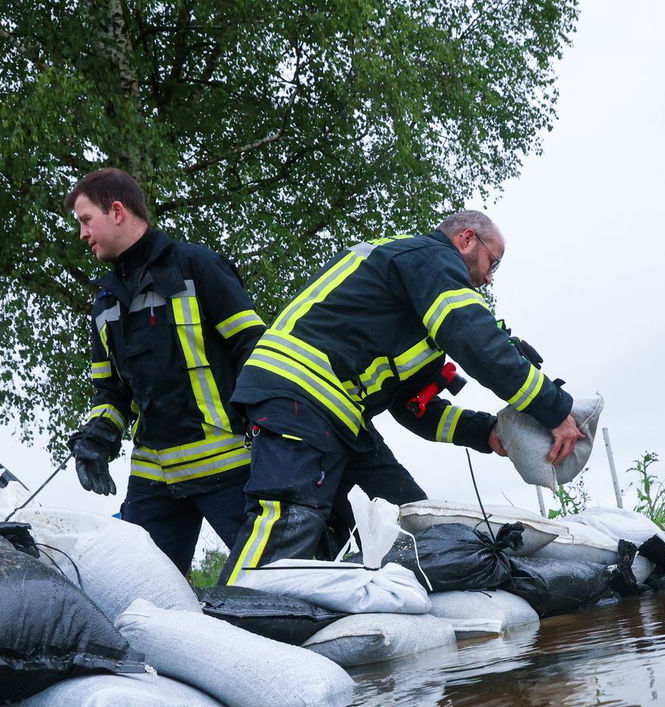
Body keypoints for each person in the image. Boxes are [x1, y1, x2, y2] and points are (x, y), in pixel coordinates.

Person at [220, 210, 584, 579]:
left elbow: (415, 409)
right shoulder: (429, 257)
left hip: (338, 413)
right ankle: (232, 626)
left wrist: (488, 433)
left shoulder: (417, 304)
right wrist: (554, 409)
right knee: (290, 519)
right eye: (494, 262)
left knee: (406, 521)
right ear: (467, 238)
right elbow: (477, 341)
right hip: (297, 391)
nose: (489, 278)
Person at [63, 168, 266, 573]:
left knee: (266, 583)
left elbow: (254, 350)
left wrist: (271, 432)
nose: (83, 234)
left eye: (86, 221)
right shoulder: (105, 303)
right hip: (153, 480)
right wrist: (97, 437)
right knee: (142, 594)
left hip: (229, 469)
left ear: (117, 211)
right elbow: (111, 392)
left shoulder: (198, 266)